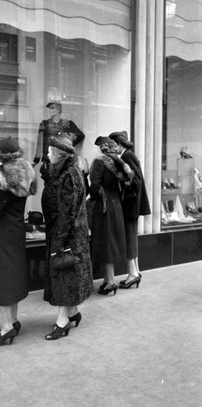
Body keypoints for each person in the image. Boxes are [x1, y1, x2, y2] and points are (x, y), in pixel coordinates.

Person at [0, 136, 36, 346]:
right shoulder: (26, 171)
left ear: (1, 155)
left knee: (4, 278)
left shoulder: (0, 176)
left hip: (3, 233)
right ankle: (13, 321)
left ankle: (6, 329)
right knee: (13, 276)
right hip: (17, 231)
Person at [41, 132, 93, 340]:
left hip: (68, 236)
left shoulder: (70, 175)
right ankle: (73, 312)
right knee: (67, 275)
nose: (47, 154)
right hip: (67, 233)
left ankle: (62, 322)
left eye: (50, 151)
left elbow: (67, 212)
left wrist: (58, 242)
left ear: (59, 154)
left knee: (63, 275)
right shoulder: (65, 171)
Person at [89, 136, 134, 296]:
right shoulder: (118, 162)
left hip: (104, 205)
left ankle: (111, 282)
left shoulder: (99, 162)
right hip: (116, 205)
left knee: (105, 243)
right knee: (110, 243)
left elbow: (94, 186)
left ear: (102, 148)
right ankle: (109, 280)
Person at [108, 131, 151, 289]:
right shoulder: (128, 155)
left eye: (113, 145)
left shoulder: (127, 157)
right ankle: (135, 272)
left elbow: (135, 180)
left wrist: (121, 179)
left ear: (119, 144)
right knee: (131, 237)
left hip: (130, 204)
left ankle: (133, 274)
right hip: (133, 203)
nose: (112, 148)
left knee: (129, 238)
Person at [33, 101, 85, 180]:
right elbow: (40, 143)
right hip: (48, 160)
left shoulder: (67, 124)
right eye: (49, 108)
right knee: (49, 185)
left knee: (62, 183)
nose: (49, 110)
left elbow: (80, 136)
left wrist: (67, 147)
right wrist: (36, 160)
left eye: (52, 108)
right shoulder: (44, 124)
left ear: (58, 110)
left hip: (62, 160)